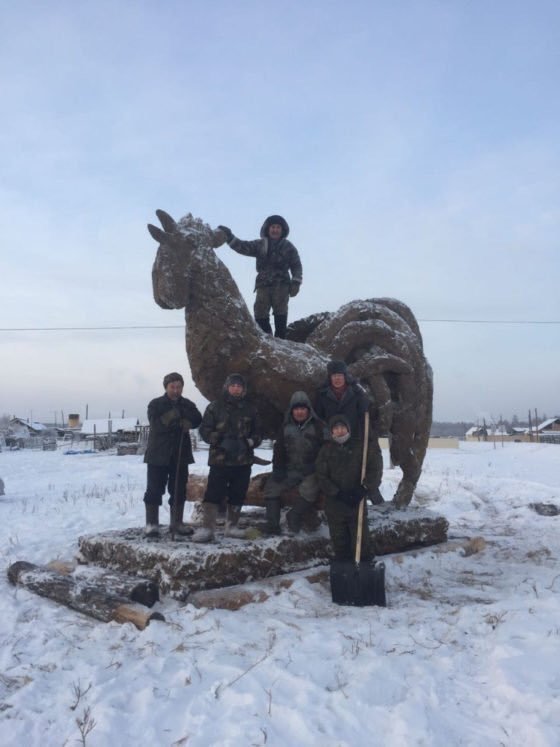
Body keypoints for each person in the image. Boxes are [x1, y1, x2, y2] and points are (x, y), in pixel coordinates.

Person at [193, 373, 262, 542]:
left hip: (243, 459)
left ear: (243, 389)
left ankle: (232, 526)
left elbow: (258, 432)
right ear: (227, 387)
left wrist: (250, 442)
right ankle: (207, 528)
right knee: (213, 493)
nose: (236, 388)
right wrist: (219, 439)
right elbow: (204, 430)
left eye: (239, 386)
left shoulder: (250, 409)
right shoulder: (215, 407)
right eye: (233, 385)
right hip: (220, 459)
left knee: (238, 492)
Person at [216, 215, 302, 339]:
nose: (275, 230)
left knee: (281, 313)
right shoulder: (260, 244)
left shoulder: (288, 246)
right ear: (268, 229)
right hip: (263, 284)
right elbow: (243, 246)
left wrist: (296, 282)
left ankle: (281, 340)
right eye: (273, 227)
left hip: (281, 284)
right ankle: (267, 340)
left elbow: (296, 265)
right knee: (260, 313)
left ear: (282, 231)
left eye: (278, 227)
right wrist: (229, 237)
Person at [314, 359, 384, 504]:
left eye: (340, 375)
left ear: (345, 376)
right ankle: (337, 499)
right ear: (330, 377)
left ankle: (371, 493)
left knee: (359, 467)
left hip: (355, 437)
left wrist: (365, 435)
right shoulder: (322, 394)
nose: (337, 378)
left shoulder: (357, 392)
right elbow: (319, 418)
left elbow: (364, 416)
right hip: (333, 438)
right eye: (334, 376)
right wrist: (327, 435)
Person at [143, 372, 202, 538]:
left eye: (179, 387)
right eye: (172, 387)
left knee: (178, 490)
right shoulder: (156, 404)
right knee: (154, 489)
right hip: (158, 455)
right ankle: (151, 525)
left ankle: (176, 523)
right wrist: (175, 415)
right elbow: (156, 423)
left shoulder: (187, 404)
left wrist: (188, 422)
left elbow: (198, 418)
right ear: (166, 387)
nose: (176, 390)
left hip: (180, 454)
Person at [263, 391, 326, 535]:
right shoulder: (285, 428)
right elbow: (278, 451)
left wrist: (316, 466)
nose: (299, 412)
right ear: (292, 411)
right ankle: (272, 524)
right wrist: (278, 468)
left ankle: (294, 516)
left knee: (310, 489)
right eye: (296, 409)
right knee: (271, 487)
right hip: (289, 469)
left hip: (310, 470)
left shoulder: (319, 426)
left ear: (308, 410)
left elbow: (326, 450)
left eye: (303, 409)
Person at [315, 415, 376, 562]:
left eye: (342, 427)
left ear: (348, 429)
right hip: (335, 505)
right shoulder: (326, 450)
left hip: (357, 504)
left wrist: (364, 488)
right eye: (336, 428)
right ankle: (344, 571)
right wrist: (337, 493)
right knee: (340, 542)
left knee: (362, 542)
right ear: (332, 431)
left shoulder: (361, 447)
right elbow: (321, 475)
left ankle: (365, 570)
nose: (340, 431)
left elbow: (374, 469)